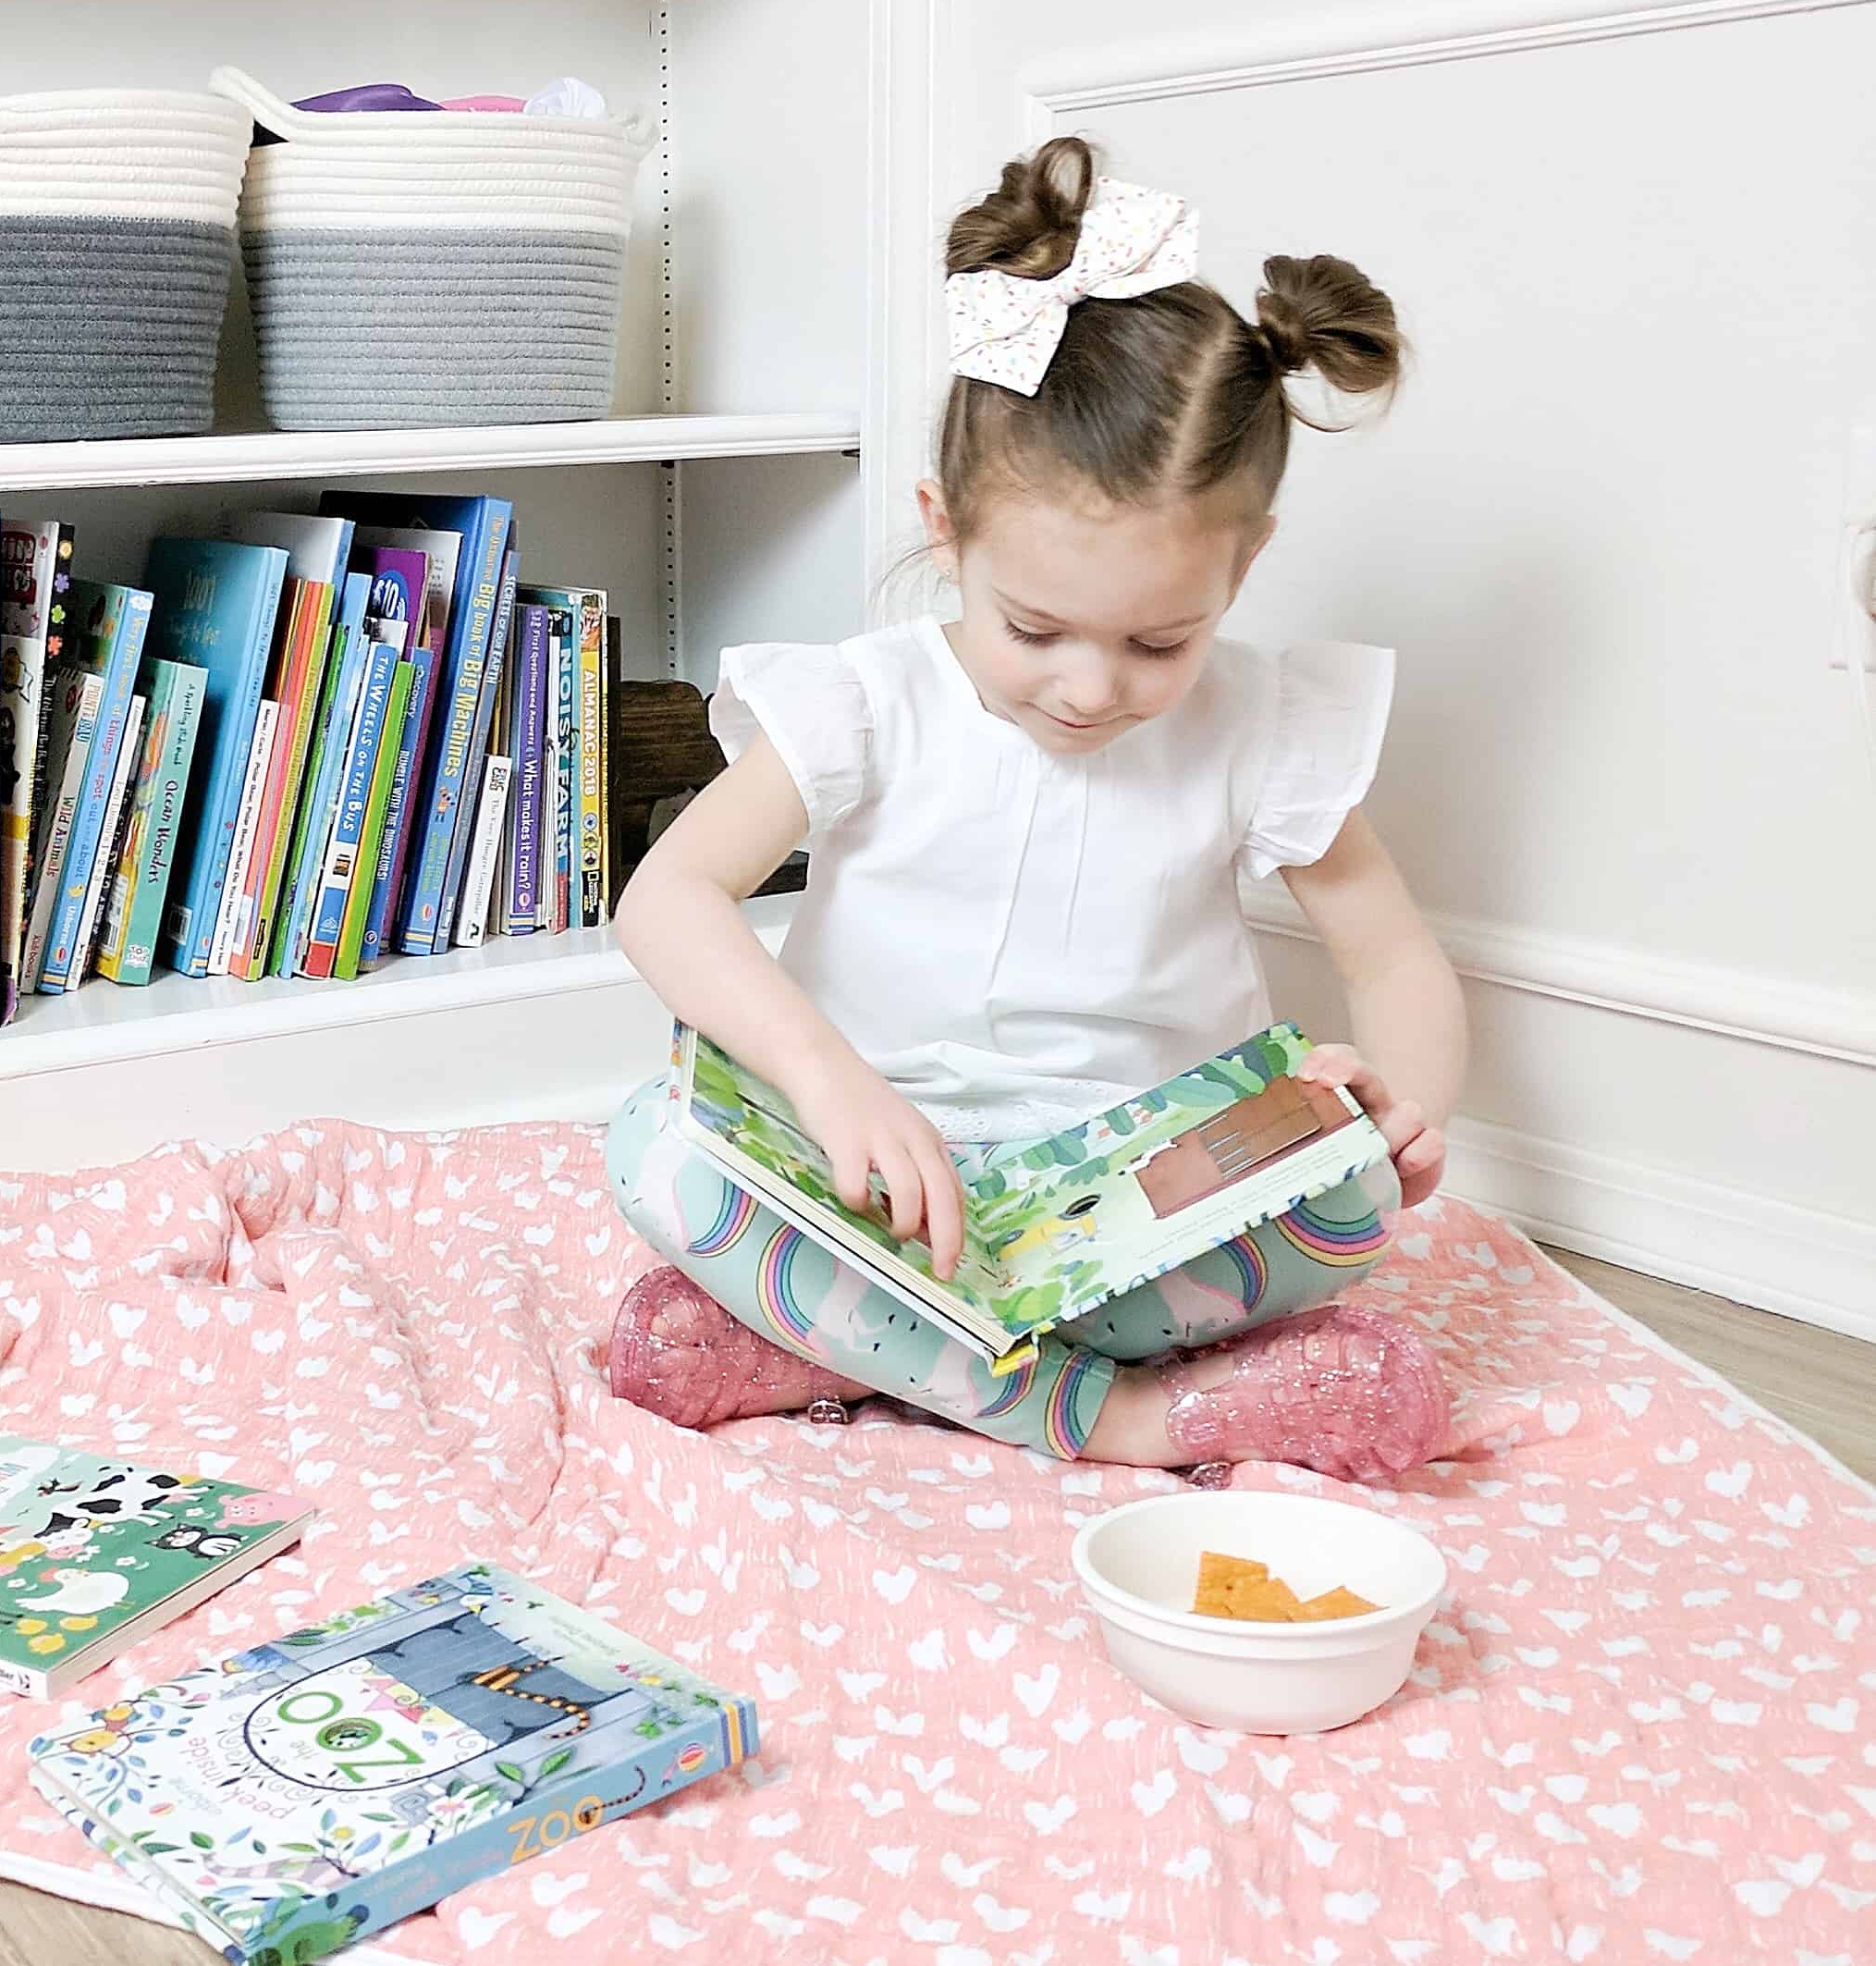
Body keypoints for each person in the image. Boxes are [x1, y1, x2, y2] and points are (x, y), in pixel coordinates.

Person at [604, 136, 1466, 1483]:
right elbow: (667, 897)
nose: (1089, 688)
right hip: (879, 1186)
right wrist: (831, 1086)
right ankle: (1123, 1414)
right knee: (659, 1154)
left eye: (1159, 644)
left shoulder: (1265, 725)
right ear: (945, 529)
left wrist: (1397, 1108)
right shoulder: (868, 702)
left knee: (1350, 1207)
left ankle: (848, 1351)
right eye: (1037, 628)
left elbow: (1392, 954)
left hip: (1134, 1209)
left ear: (1248, 566)